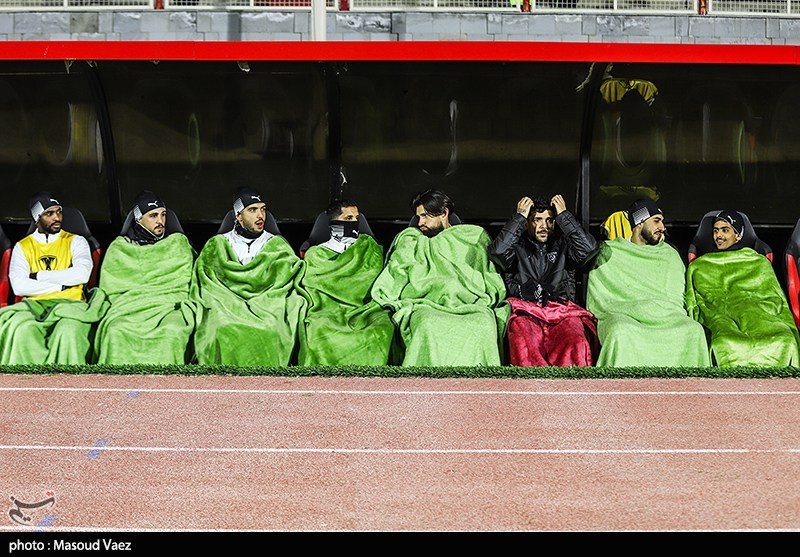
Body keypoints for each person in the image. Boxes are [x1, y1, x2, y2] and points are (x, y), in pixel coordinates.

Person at [371, 189, 509, 367]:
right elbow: (396, 273)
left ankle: (477, 384)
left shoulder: (472, 237)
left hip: (470, 305)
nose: (420, 222)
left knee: (484, 323)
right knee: (426, 323)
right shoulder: (411, 241)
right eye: (418, 217)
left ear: (444, 213)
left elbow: (487, 273)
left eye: (425, 216)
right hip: (426, 305)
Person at [585, 198, 710, 367]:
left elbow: (676, 299)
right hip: (625, 317)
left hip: (667, 316)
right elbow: (602, 300)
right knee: (620, 331)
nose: (662, 227)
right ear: (639, 223)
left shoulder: (669, 254)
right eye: (657, 221)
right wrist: (637, 308)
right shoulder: (610, 251)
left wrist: (654, 309)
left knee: (693, 330)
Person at [190, 187, 306, 366]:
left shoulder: (277, 245)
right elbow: (208, 283)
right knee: (221, 326)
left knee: (272, 328)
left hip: (267, 304)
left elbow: (284, 282)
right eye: (252, 210)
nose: (260, 215)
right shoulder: (218, 244)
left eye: (263, 209)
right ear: (238, 216)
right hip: (226, 304)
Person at [489, 194, 599, 367]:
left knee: (576, 341)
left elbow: (589, 249)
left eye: (549, 220)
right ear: (526, 223)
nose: (544, 226)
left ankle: (571, 386)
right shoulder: (516, 246)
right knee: (524, 344)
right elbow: (498, 252)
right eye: (537, 220)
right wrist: (519, 217)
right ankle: (532, 386)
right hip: (525, 311)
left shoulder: (564, 244)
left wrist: (564, 215)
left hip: (562, 311)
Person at [0, 191, 108, 365]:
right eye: (49, 214)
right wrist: (62, 286)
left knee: (68, 330)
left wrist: (38, 276)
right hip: (34, 306)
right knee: (21, 329)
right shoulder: (22, 247)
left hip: (72, 305)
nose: (57, 217)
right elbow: (19, 286)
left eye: (58, 212)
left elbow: (81, 274)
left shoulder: (77, 241)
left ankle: (68, 381)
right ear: (37, 218)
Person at [93, 191, 198, 365]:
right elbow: (111, 288)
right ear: (138, 219)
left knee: (173, 331)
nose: (160, 221)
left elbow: (188, 280)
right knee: (115, 331)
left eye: (163, 215)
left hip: (171, 307)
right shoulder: (119, 248)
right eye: (153, 216)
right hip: (129, 308)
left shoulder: (178, 243)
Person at [685, 210, 800, 367]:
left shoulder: (758, 262)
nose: (719, 235)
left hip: (759, 312)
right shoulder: (700, 265)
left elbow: (774, 297)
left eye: (725, 230)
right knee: (723, 341)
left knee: (785, 339)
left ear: (738, 235)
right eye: (716, 231)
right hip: (720, 315)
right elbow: (698, 299)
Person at [297, 200, 396, 366]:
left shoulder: (370, 247)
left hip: (366, 310)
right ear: (333, 222)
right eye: (348, 218)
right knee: (317, 326)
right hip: (328, 310)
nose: (354, 223)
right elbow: (312, 286)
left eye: (356, 218)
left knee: (384, 326)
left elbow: (377, 278)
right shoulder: (315, 254)